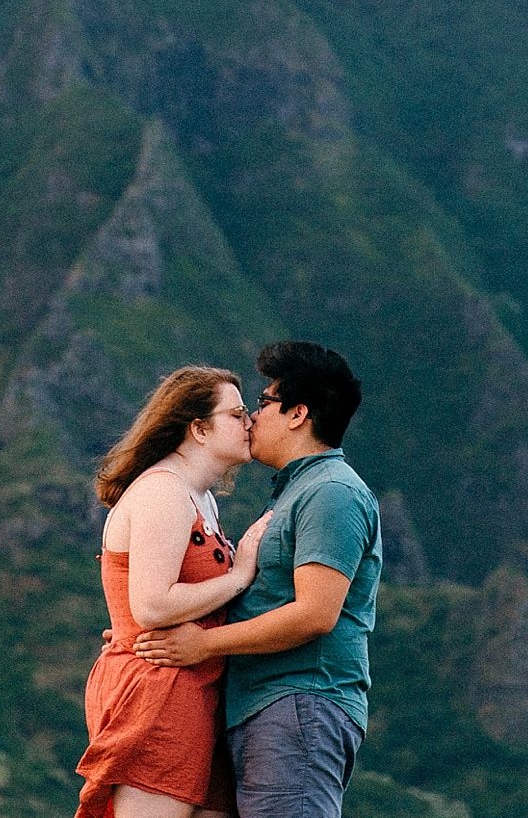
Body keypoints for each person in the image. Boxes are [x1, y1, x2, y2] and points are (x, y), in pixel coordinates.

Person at [134, 342, 379, 818]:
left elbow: (314, 614)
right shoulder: (297, 491)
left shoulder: (331, 492)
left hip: (300, 703)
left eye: (263, 404)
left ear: (297, 414)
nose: (252, 418)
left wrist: (203, 645)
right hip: (267, 708)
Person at [77, 365, 273, 818]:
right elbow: (152, 605)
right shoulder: (163, 493)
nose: (250, 423)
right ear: (198, 429)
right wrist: (239, 575)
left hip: (195, 686)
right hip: (160, 688)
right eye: (237, 414)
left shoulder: (197, 496)